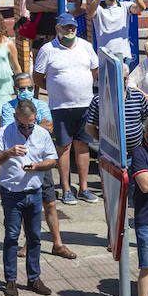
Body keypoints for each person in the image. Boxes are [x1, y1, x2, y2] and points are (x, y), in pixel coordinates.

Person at [0, 100, 59, 296]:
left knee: (34, 237)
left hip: (34, 191)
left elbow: (53, 160)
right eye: (24, 125)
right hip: (11, 193)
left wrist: (37, 166)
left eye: (31, 124)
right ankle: (10, 279)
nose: (27, 129)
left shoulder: (42, 134)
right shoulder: (3, 134)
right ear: (16, 119)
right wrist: (8, 153)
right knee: (11, 236)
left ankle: (34, 278)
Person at [33, 14, 98, 204]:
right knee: (63, 148)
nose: (70, 30)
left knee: (83, 146)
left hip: (85, 105)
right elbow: (38, 77)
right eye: (66, 27)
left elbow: (95, 70)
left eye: (73, 27)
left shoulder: (86, 46)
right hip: (60, 107)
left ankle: (84, 187)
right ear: (57, 29)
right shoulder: (47, 50)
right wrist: (55, 88)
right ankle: (66, 188)